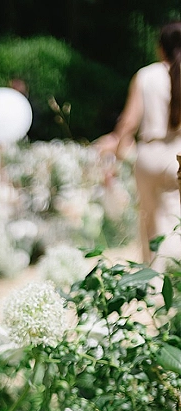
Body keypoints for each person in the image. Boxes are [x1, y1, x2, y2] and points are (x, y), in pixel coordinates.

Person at [96, 21, 181, 267]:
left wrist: (117, 155)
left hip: (150, 155)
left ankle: (154, 279)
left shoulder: (146, 75)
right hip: (178, 153)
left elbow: (129, 122)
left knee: (149, 219)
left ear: (160, 48)